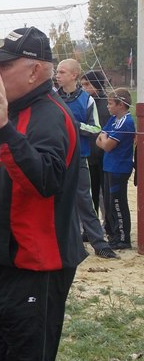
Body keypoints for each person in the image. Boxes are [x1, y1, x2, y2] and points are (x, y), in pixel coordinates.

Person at [0, 26, 87, 361]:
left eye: (4, 65)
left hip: (36, 269)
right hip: (2, 264)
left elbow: (45, 179)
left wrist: (5, 131)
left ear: (35, 70)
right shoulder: (12, 112)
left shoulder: (50, 117)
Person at [56, 59, 117, 259]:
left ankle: (99, 244)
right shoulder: (52, 98)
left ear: (74, 75)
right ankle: (66, 244)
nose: (57, 75)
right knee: (57, 202)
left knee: (84, 201)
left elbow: (96, 129)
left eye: (62, 72)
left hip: (78, 158)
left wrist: (75, 125)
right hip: (54, 159)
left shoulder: (87, 100)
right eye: (57, 72)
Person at [96, 88, 135, 250]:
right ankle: (113, 234)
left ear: (121, 105)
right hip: (109, 165)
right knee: (109, 202)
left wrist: (104, 140)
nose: (108, 106)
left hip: (119, 167)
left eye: (111, 103)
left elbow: (107, 145)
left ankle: (123, 238)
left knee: (118, 202)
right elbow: (100, 138)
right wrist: (104, 140)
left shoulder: (126, 121)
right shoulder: (113, 119)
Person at [81, 70, 111, 220]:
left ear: (97, 85)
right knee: (92, 193)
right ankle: (90, 228)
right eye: (82, 85)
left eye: (87, 84)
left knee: (106, 193)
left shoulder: (106, 104)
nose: (84, 88)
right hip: (90, 155)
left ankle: (109, 225)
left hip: (104, 156)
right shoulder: (86, 102)